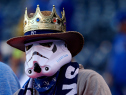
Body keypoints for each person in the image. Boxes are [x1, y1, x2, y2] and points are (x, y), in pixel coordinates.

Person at [7, 5, 111, 95]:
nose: (35, 54)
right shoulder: (22, 92)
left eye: (45, 44)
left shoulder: (88, 81)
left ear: (63, 47)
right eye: (29, 47)